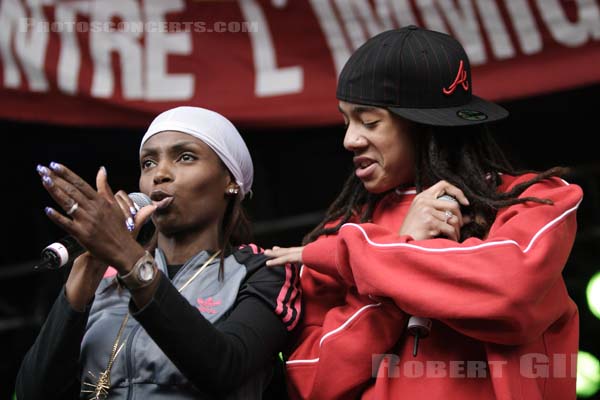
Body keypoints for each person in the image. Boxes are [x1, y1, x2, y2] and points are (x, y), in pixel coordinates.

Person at [265, 26, 582, 399]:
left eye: (369, 121)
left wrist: (366, 259)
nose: (349, 139)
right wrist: (400, 248)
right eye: (346, 120)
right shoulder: (345, 231)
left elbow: (508, 298)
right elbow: (311, 381)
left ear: (424, 125)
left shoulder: (534, 201)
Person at [16, 106, 301, 399]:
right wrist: (89, 268)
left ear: (230, 180)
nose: (159, 174)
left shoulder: (265, 270)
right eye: (148, 162)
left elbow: (225, 369)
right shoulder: (106, 279)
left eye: (185, 157)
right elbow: (31, 393)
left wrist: (129, 258)